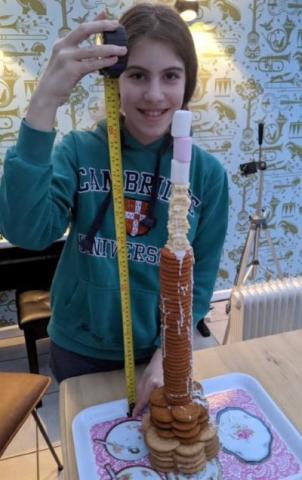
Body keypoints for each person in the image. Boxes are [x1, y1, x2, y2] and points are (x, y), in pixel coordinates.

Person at [0, 3, 228, 415]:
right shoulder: (79, 150)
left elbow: (201, 280)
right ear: (115, 80)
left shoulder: (208, 176)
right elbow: (26, 231)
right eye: (138, 75)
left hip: (157, 353)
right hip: (79, 345)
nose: (155, 94)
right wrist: (45, 99)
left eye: (171, 76)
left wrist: (168, 355)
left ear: (187, 82)